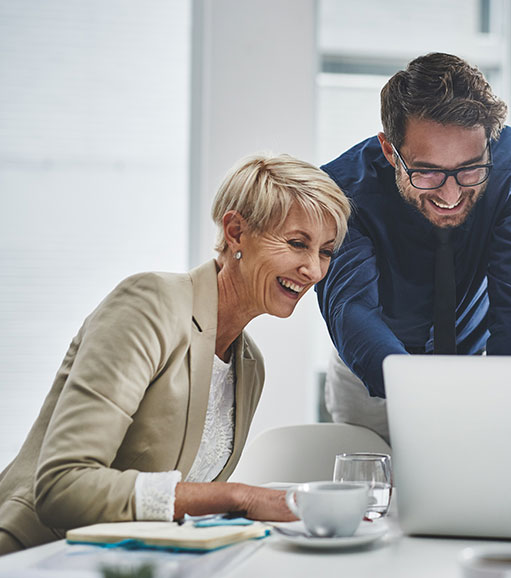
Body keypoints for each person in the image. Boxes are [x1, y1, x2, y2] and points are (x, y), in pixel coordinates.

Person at [0, 154, 351, 554]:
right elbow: (63, 485)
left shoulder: (249, 365)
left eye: (325, 251)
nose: (314, 270)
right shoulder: (150, 304)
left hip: (138, 564)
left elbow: (178, 509)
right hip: (36, 556)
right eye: (296, 243)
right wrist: (238, 497)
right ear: (235, 231)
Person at [317, 52, 511, 442]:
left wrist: (503, 399)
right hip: (373, 378)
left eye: (469, 168)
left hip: (481, 366)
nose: (450, 192)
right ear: (390, 150)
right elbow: (352, 308)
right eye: (427, 171)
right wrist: (424, 398)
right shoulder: (340, 188)